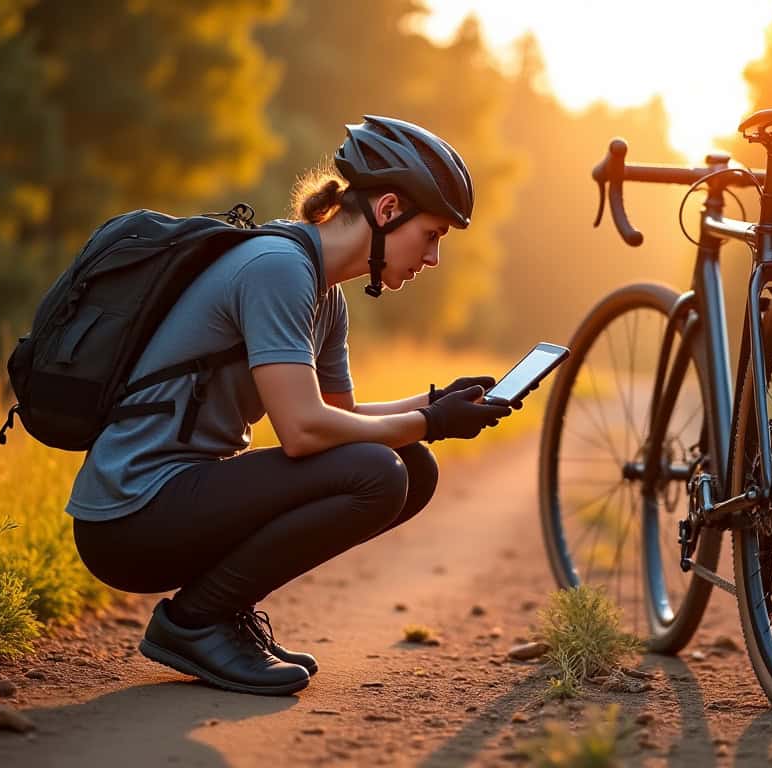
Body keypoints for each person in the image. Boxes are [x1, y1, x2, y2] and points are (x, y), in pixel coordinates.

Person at [65, 116, 514, 696]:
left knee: (411, 464)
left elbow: (341, 419)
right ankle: (195, 623)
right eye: (430, 236)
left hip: (181, 496)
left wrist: (435, 403)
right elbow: (303, 432)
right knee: (379, 471)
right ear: (387, 211)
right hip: (131, 515)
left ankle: (218, 612)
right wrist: (430, 421)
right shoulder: (279, 270)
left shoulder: (325, 294)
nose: (432, 259)